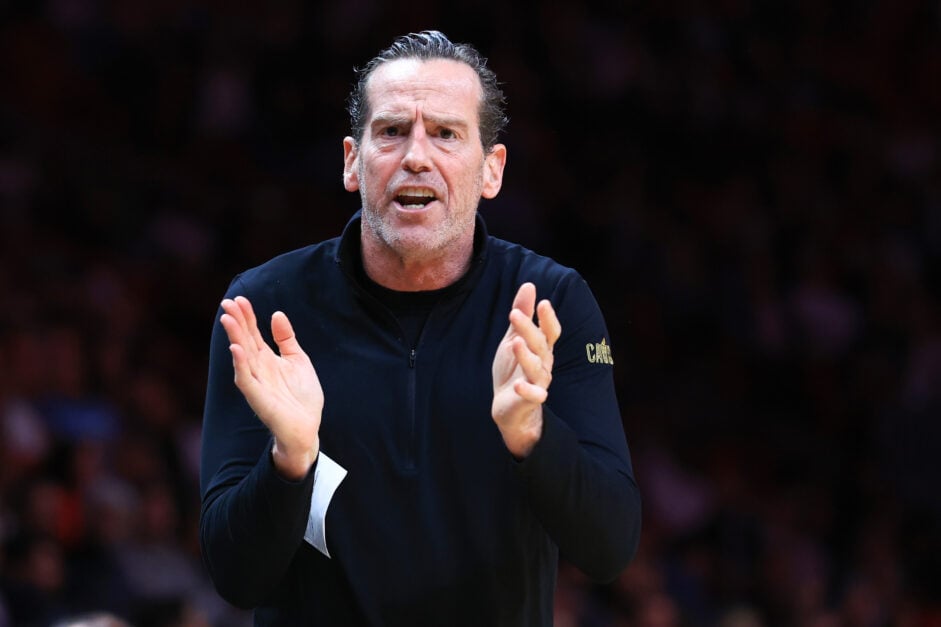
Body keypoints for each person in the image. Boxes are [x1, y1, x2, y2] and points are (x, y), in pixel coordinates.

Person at [199, 30, 641, 626]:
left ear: (492, 170)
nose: (415, 155)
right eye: (391, 131)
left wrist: (532, 435)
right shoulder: (266, 308)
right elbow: (235, 577)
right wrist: (290, 458)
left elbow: (610, 547)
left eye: (446, 134)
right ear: (353, 162)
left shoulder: (550, 304)